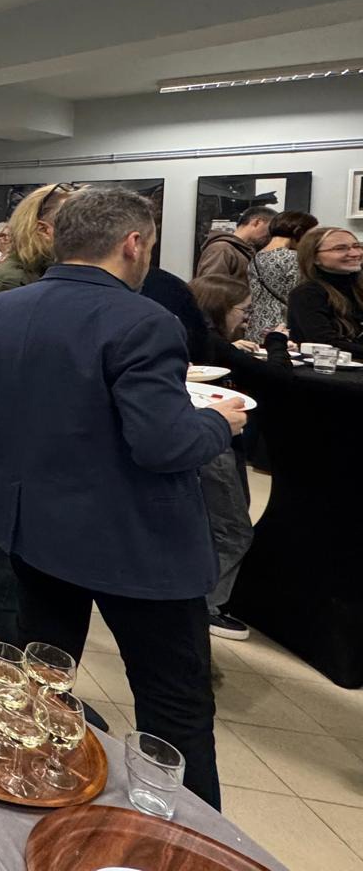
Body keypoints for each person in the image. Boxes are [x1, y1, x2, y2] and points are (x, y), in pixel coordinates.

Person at [0, 186, 248, 809]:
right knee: (174, 704)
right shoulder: (144, 321)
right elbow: (164, 445)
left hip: (34, 530)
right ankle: (185, 832)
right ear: (133, 243)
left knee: (44, 677)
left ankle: (35, 791)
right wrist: (218, 422)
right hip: (134, 545)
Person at [0, 181, 78, 654]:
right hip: (17, 455)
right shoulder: (10, 284)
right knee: (11, 577)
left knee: (35, 578)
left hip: (42, 455)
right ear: (43, 228)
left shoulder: (46, 279)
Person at [187, 274, 259, 641]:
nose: (247, 318)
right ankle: (207, 605)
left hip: (210, 440)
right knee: (232, 526)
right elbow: (276, 374)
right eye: (243, 310)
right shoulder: (213, 347)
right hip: (212, 442)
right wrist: (277, 342)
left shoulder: (212, 343)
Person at [286, 226, 363, 358]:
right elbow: (326, 343)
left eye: (357, 246)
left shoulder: (357, 288)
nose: (355, 253)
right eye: (340, 248)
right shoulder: (307, 294)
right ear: (315, 258)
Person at [244, 211, 318, 343]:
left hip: (257, 327)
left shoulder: (256, 257)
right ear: (299, 232)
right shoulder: (294, 258)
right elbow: (299, 296)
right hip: (283, 329)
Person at [194, 205, 274, 281]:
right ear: (257, 222)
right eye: (270, 228)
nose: (271, 234)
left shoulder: (240, 250)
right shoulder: (222, 249)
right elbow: (210, 286)